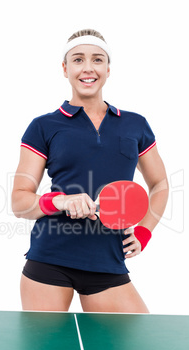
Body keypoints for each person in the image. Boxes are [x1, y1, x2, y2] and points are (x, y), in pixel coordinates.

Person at [11, 29, 169, 313]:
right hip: (49, 260)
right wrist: (60, 200)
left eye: (97, 60)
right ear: (65, 68)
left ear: (107, 69)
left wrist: (145, 231)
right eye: (78, 59)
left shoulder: (135, 125)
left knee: (139, 348)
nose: (87, 68)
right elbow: (19, 203)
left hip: (109, 260)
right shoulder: (43, 126)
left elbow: (160, 184)